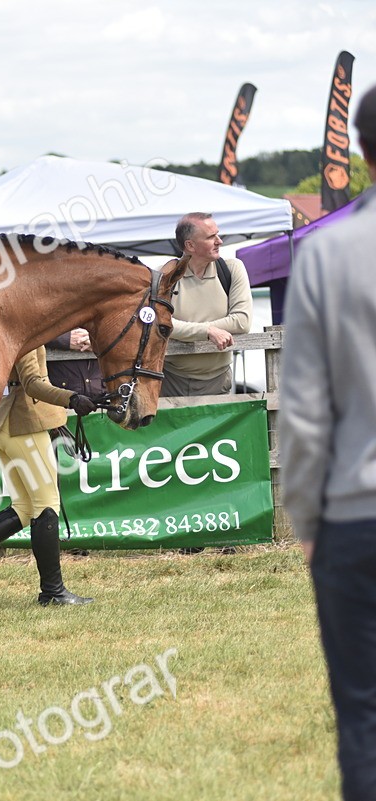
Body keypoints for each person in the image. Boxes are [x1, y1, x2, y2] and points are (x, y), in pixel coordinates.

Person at [280, 83, 376, 801]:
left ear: (364, 153)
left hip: (355, 513)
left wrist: (307, 521)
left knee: (363, 717)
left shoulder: (327, 252)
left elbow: (305, 411)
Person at [0, 346, 97, 606]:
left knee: (24, 508)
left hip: (0, 427)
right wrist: (71, 398)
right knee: (46, 506)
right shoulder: (28, 336)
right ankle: (53, 591)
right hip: (24, 424)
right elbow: (32, 384)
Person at [160, 212, 252, 397]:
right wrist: (207, 332)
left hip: (219, 382)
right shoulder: (163, 276)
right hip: (169, 381)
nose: (220, 241)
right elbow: (161, 323)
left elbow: (242, 321)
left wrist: (192, 330)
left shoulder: (232, 269)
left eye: (218, 234)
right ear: (190, 245)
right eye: (211, 237)